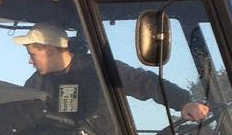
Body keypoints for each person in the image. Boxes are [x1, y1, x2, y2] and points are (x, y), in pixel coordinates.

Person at [12, 24, 211, 125]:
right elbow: (20, 114)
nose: (30, 61)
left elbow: (144, 82)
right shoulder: (37, 83)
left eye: (32, 54)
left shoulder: (97, 69)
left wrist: (184, 102)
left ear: (50, 50)